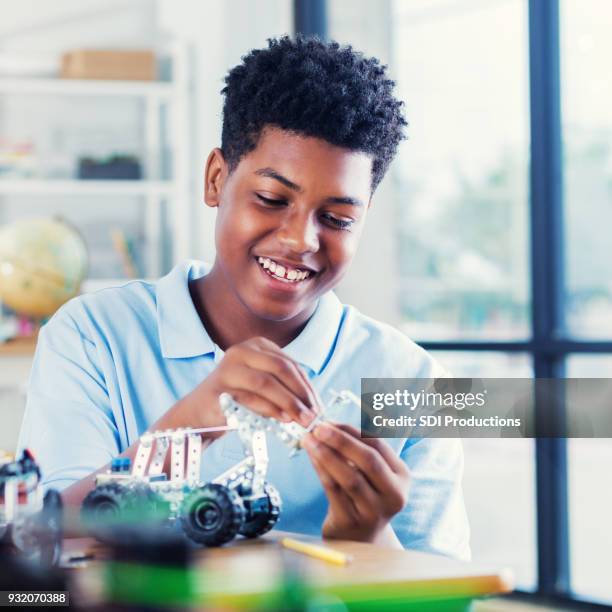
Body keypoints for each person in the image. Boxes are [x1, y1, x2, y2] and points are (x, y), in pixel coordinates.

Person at [18, 36, 469, 559]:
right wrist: (188, 424)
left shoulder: (412, 380)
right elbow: (44, 543)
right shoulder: (94, 335)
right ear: (216, 179)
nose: (302, 240)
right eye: (272, 199)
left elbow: (447, 597)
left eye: (338, 219)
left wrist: (367, 538)